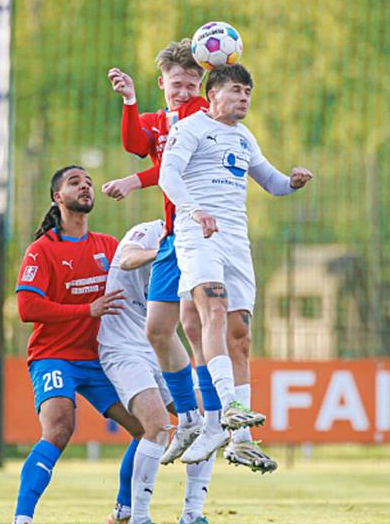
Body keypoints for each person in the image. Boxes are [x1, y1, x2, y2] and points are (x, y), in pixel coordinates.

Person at [105, 41, 277, 473]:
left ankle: (222, 423)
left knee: (205, 324)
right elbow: (137, 142)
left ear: (202, 84)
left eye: (190, 84)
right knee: (161, 331)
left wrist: (135, 180)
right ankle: (191, 417)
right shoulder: (161, 120)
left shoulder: (203, 116)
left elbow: (166, 166)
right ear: (161, 85)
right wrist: (129, 101)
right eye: (175, 85)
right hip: (172, 236)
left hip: (201, 234)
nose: (183, 93)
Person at [159, 64, 312, 464]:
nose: (244, 97)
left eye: (248, 91)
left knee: (239, 334)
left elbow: (272, 183)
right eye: (236, 90)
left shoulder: (244, 138)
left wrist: (292, 182)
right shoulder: (190, 128)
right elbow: (167, 175)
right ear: (212, 95)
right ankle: (227, 407)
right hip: (200, 235)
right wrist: (194, 211)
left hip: (236, 243)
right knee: (213, 311)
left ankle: (239, 437)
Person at [2, 165, 145, 524]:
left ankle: (122, 514)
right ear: (57, 197)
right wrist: (87, 311)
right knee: (60, 429)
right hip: (55, 356)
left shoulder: (108, 246)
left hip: (101, 358)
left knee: (147, 428)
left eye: (89, 182)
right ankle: (19, 523)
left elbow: (132, 277)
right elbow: (27, 307)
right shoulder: (43, 249)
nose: (85, 186)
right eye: (74, 182)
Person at [98, 218, 230, 524]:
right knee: (157, 426)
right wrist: (162, 252)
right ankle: (138, 520)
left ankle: (191, 518)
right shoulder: (155, 231)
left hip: (159, 343)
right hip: (123, 347)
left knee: (204, 425)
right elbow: (126, 257)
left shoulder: (200, 243)